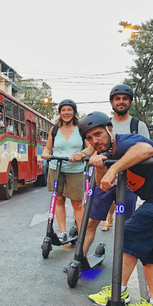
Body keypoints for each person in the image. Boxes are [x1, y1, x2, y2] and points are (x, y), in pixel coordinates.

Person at [80, 111, 153, 306]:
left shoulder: (126, 142)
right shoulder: (107, 153)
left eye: (98, 134)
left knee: (128, 233)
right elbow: (104, 184)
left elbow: (147, 148)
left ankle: (119, 291)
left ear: (110, 130)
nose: (95, 140)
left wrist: (114, 168)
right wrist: (99, 165)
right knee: (152, 254)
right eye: (89, 138)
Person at [89, 84, 149, 242]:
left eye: (125, 99)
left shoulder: (138, 126)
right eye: (117, 99)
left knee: (125, 226)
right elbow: (91, 149)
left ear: (130, 102)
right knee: (90, 221)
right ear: (111, 102)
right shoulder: (103, 125)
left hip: (129, 183)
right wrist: (80, 154)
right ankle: (79, 259)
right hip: (103, 180)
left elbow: (147, 152)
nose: (121, 102)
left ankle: (122, 263)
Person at [41, 99, 94, 242]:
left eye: (69, 110)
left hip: (75, 169)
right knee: (58, 199)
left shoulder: (81, 129)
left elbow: (90, 148)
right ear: (59, 113)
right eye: (63, 110)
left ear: (74, 112)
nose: (66, 113)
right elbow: (48, 147)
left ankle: (83, 234)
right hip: (56, 168)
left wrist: (81, 154)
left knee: (77, 203)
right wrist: (45, 153)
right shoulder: (55, 129)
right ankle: (63, 232)